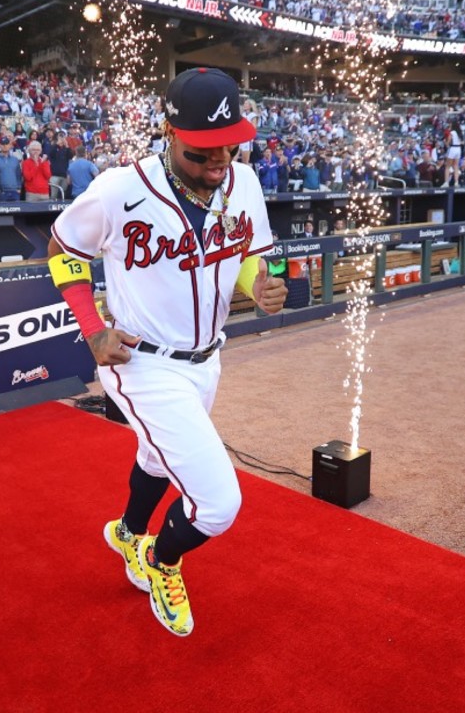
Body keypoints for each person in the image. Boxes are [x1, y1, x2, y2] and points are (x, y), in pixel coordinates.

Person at [47, 67, 287, 637]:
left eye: (227, 148)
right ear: (167, 131)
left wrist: (259, 284)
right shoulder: (119, 188)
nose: (217, 163)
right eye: (201, 152)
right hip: (143, 363)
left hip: (209, 357)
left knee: (158, 457)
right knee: (218, 504)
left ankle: (129, 532)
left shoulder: (244, 182)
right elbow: (61, 247)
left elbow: (252, 255)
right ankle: (161, 560)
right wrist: (90, 328)